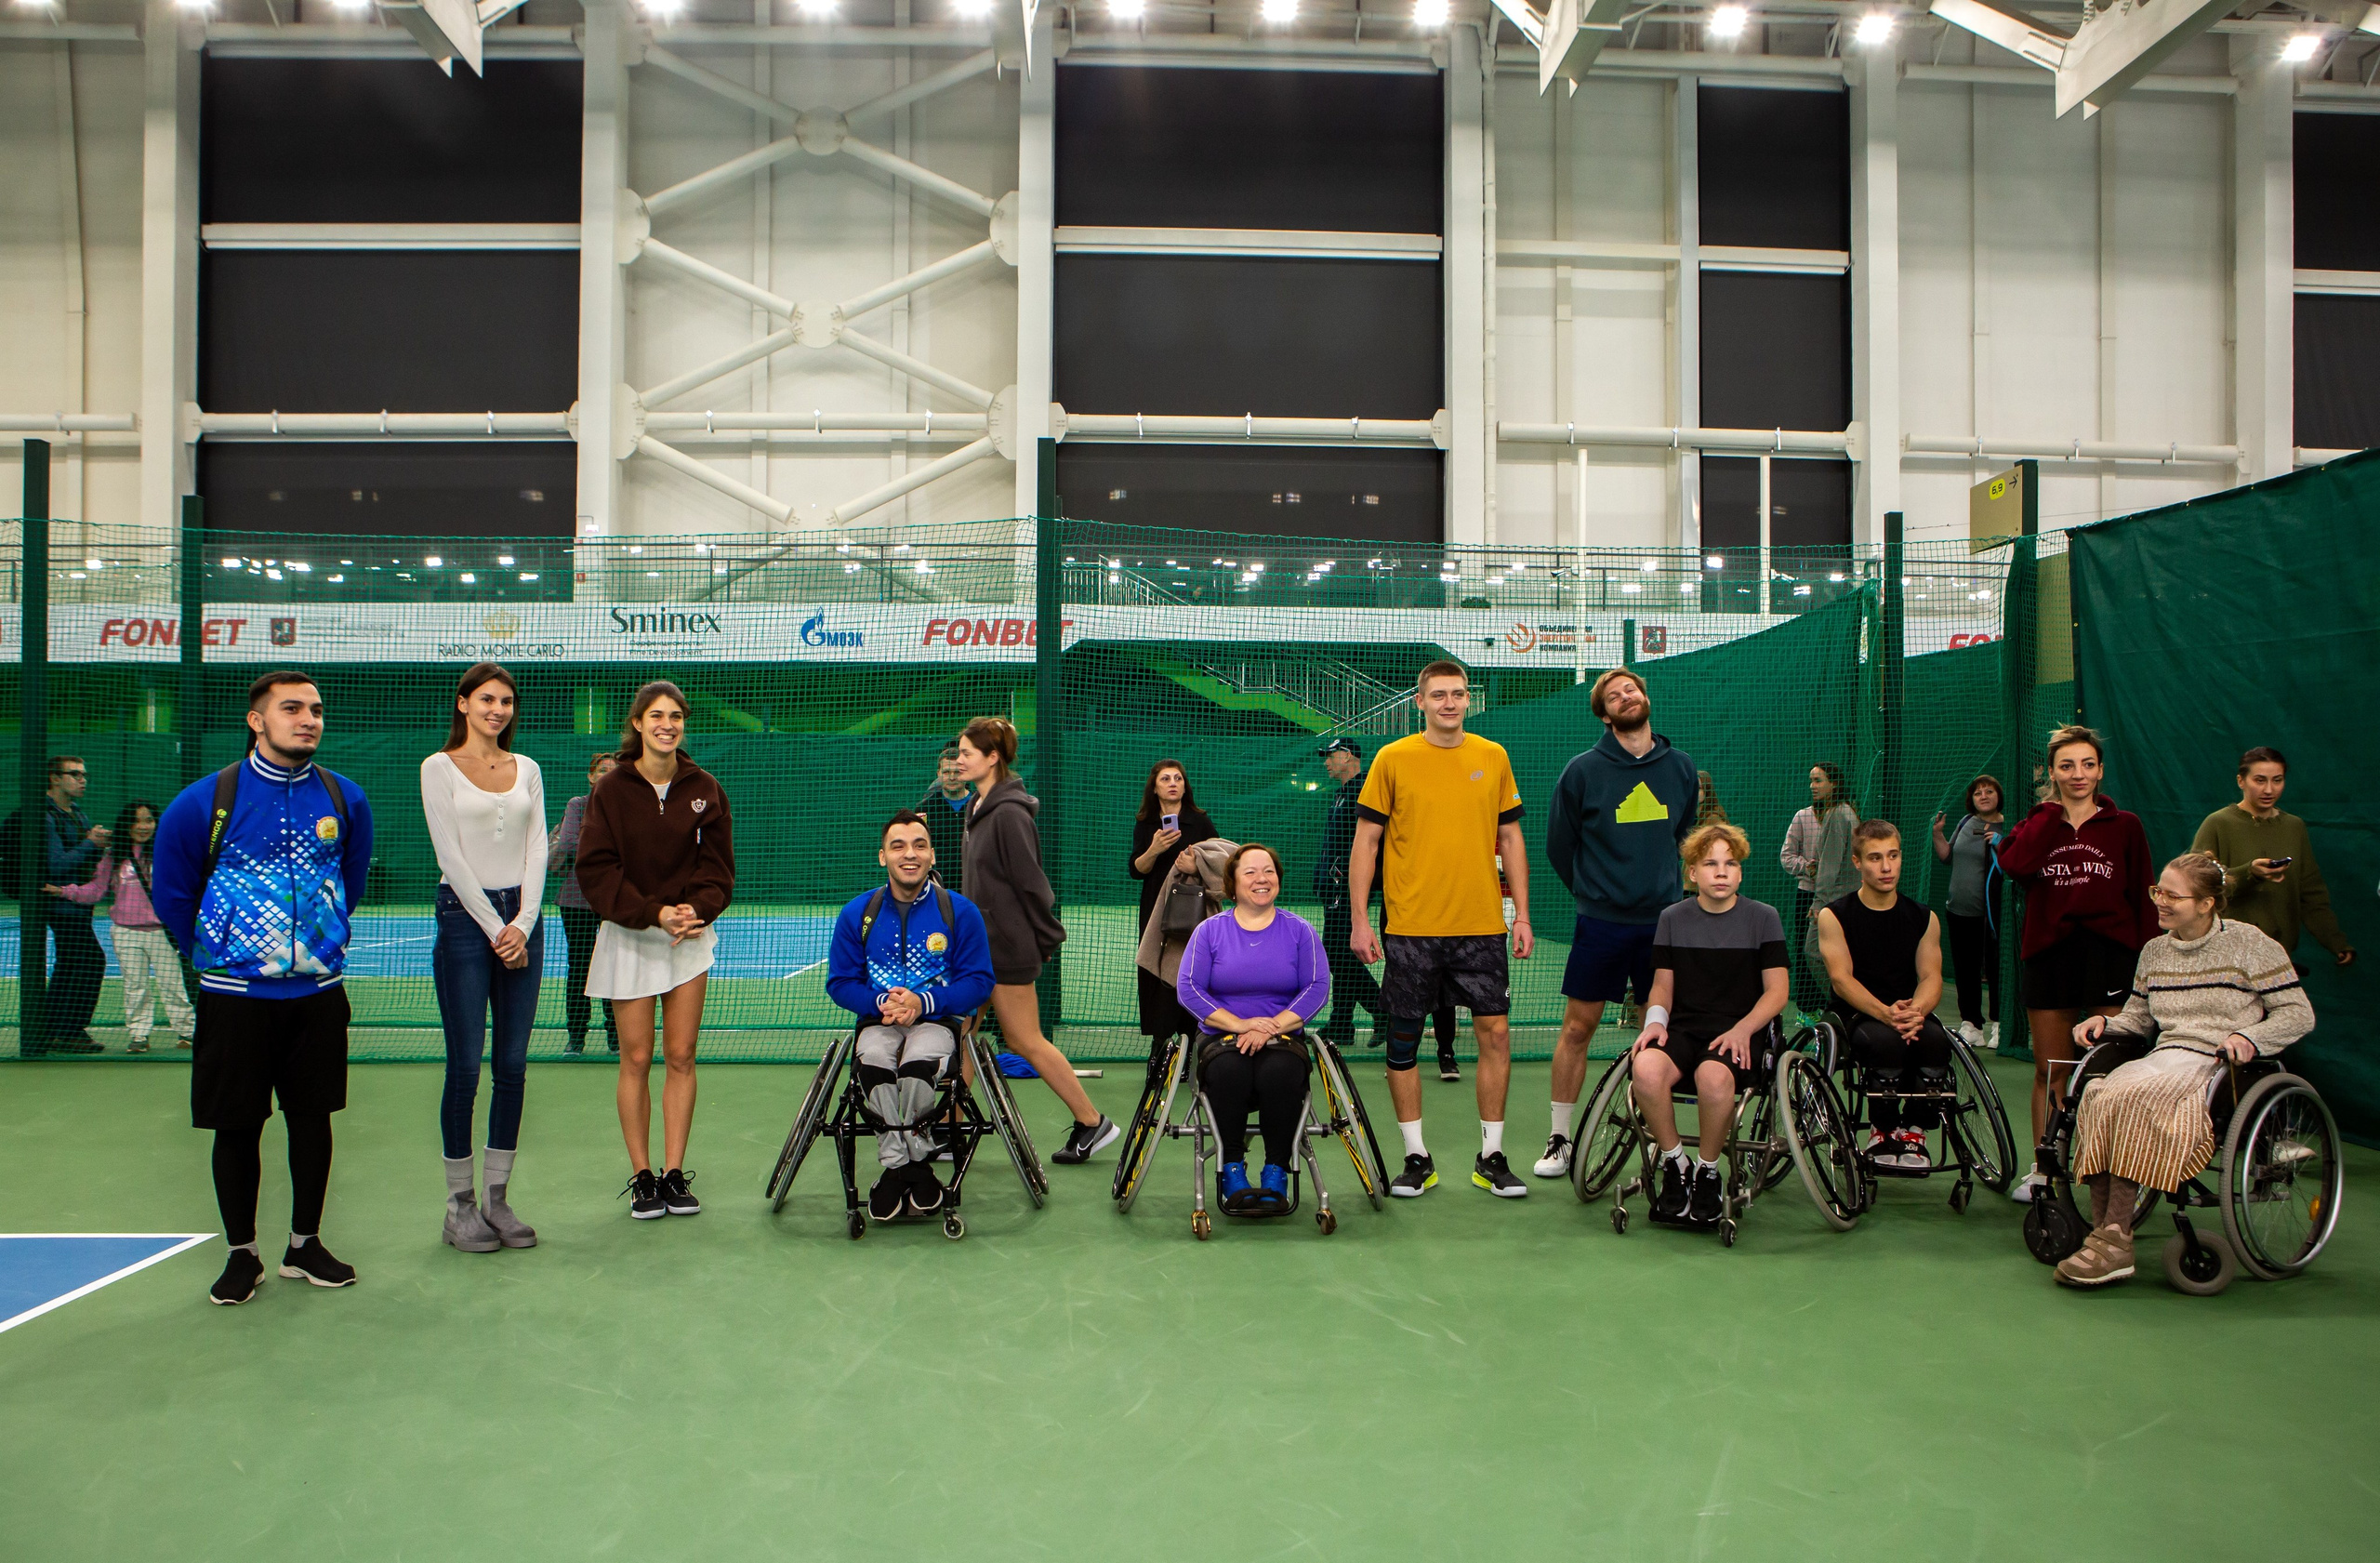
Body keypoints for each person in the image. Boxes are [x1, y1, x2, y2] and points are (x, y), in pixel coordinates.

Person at [152, 671, 375, 1305]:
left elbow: (351, 880)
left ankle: (305, 1245)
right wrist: (226, 954)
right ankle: (241, 1254)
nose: (309, 719)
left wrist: (312, 948)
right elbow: (173, 895)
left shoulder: (345, 797)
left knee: (313, 1120)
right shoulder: (203, 802)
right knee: (236, 1126)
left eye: (316, 709)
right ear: (257, 720)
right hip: (234, 1001)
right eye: (292, 708)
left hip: (318, 997)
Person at [2055, 852, 2313, 1288]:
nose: (2161, 901)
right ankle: (2109, 1236)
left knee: (2134, 1098)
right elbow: (2139, 1018)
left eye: (2173, 896)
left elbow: (2297, 1013)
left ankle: (2113, 1241)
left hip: (2219, 1063)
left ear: (2207, 903)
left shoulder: (2250, 944)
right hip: (2165, 1055)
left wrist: (2250, 1038)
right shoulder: (2155, 951)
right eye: (2158, 891)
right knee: (2098, 1093)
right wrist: (2105, 1022)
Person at [1345, 660, 1535, 1199]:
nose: (1449, 703)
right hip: (1411, 929)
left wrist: (1521, 915)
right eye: (1438, 695)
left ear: (1469, 699)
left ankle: (1492, 1157)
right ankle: (1416, 1158)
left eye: (1458, 694)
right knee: (1404, 1039)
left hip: (1481, 928)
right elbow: (1366, 843)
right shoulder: (1392, 758)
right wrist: (1360, 919)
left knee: (1495, 1035)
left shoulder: (1493, 756)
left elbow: (1510, 839)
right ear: (1420, 702)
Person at [576, 681, 735, 1221]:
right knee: (637, 1057)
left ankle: (673, 1173)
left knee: (682, 1056)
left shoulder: (705, 788)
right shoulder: (611, 790)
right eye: (657, 716)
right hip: (630, 936)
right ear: (638, 724)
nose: (667, 725)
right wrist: (653, 912)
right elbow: (597, 870)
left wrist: (696, 910)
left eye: (676, 716)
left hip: (688, 940)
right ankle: (643, 1177)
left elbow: (718, 869)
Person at [1539, 667, 1698, 1178]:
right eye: (1614, 696)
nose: (1626, 697)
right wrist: (1595, 894)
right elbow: (1559, 846)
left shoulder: (1681, 767)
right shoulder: (1582, 771)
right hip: (1602, 924)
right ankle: (1560, 1139)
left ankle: (1656, 1138)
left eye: (1632, 689)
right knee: (1577, 1027)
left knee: (1659, 1031)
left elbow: (1685, 836)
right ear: (1605, 716)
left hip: (1664, 926)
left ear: (1644, 699)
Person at [1995, 724, 2156, 1202]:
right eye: (2066, 766)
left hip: (2110, 958)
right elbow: (2016, 867)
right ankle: (2045, 1170)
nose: (2078, 774)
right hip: (2050, 958)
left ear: (2100, 770)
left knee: (2113, 1071)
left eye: (2087, 764)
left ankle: (2117, 1173)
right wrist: (2050, 813)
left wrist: (2150, 964)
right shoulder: (2035, 824)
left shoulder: (2126, 825)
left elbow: (2143, 895)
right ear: (2052, 772)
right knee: (2052, 1069)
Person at [419, 662, 548, 1253]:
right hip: (464, 921)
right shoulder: (437, 768)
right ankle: (460, 1207)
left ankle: (497, 1199)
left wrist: (523, 923)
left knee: (512, 1066)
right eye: (487, 699)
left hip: (523, 922)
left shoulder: (529, 769)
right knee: (465, 1068)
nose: (498, 710)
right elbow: (450, 855)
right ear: (464, 703)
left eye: (506, 702)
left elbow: (537, 848)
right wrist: (499, 929)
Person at [954, 715, 1118, 1165]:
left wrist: (1044, 937)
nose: (958, 760)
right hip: (978, 948)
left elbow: (1033, 885)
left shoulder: (1009, 814)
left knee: (1024, 1040)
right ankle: (949, 1128)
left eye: (967, 753)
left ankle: (1091, 1121)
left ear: (992, 758)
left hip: (1007, 949)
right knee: (962, 1035)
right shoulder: (975, 807)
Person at [824, 811, 996, 1223]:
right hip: (879, 1022)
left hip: (937, 1022)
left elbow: (980, 982)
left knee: (918, 1068)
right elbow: (840, 982)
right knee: (874, 1065)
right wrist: (882, 1001)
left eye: (919, 845)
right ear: (882, 856)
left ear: (932, 855)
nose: (910, 854)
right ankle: (910, 1166)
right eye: (898, 846)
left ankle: (898, 1166)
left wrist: (923, 1002)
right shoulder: (857, 913)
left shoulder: (959, 911)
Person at [1631, 823, 1791, 1226]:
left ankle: (1708, 1172)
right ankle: (1675, 1163)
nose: (1721, 872)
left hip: (1741, 1033)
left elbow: (1777, 993)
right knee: (1645, 1068)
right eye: (1710, 864)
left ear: (1740, 872)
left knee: (1713, 1076)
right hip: (1684, 1030)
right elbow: (1662, 986)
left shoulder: (1764, 918)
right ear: (1692, 873)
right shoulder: (1671, 918)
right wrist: (1655, 1022)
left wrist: (1743, 1030)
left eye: (1730, 864)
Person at [1177, 842, 1330, 1214]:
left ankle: (1277, 1170)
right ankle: (1231, 1168)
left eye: (1269, 872)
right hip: (1221, 1039)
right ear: (1232, 883)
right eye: (1251, 873)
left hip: (1283, 1039)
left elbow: (1317, 987)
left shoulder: (1300, 931)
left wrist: (1271, 1027)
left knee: (1281, 1073)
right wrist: (1241, 1025)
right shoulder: (1209, 931)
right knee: (1229, 1072)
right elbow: (1189, 989)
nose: (1262, 879)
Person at [1313, 738, 1461, 1077]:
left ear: (1348, 756)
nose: (1326, 762)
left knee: (1337, 951)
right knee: (1342, 953)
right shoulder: (1342, 793)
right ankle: (1342, 1023)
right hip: (1334, 887)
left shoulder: (1364, 791)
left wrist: (1352, 883)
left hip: (1348, 889)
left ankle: (1380, 1011)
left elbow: (1369, 844)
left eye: (1331, 755)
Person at [1817, 820, 1953, 1170]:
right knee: (1885, 1041)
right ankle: (1882, 1131)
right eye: (1875, 858)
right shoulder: (1834, 915)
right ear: (1857, 862)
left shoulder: (1924, 917)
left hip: (1908, 1012)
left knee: (1936, 1040)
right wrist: (1885, 1013)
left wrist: (1916, 1011)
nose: (1887, 866)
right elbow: (1841, 980)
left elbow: (1931, 976)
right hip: (1857, 1014)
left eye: (1893, 856)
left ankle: (1915, 1131)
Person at [2189, 747, 2354, 972]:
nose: (2269, 789)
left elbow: (2311, 894)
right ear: (2241, 781)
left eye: (2277, 780)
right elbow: (2196, 887)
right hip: (2225, 956)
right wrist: (2249, 873)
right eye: (2260, 780)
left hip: (2279, 955)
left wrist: (2336, 942)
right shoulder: (2218, 823)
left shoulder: (2294, 827)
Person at [47, 800, 192, 1053]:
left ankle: (187, 1032)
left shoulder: (167, 853)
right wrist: (64, 891)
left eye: (149, 820)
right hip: (125, 933)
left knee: (173, 985)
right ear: (126, 825)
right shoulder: (113, 856)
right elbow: (96, 890)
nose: (143, 826)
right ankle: (139, 1035)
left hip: (162, 933)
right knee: (135, 987)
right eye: (137, 821)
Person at [1128, 758, 1218, 1054]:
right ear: (1154, 788)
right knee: (1156, 970)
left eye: (1178, 778)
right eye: (1165, 779)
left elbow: (1221, 862)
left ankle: (1191, 1044)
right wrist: (1155, 849)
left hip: (1194, 910)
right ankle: (1160, 1044)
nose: (1172, 784)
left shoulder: (1200, 821)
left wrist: (1196, 865)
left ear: (1185, 786)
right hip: (1156, 909)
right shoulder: (1146, 823)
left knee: (1191, 969)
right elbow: (1137, 869)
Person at [30, 756, 110, 1053]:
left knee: (69, 964)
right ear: (54, 778)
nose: (82, 780)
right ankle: (70, 1031)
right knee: (90, 960)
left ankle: (52, 1029)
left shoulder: (77, 814)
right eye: (74, 774)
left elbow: (83, 859)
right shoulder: (44, 816)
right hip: (59, 905)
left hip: (78, 903)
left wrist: (99, 845)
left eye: (84, 774)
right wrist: (90, 843)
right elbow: (55, 865)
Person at [549, 752, 622, 1054]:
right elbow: (568, 844)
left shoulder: (627, 807)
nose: (608, 775)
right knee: (580, 966)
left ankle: (616, 1038)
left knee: (614, 967)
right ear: (591, 777)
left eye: (614, 770)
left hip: (615, 900)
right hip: (576, 900)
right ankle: (576, 1037)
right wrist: (611, 849)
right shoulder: (578, 805)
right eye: (602, 770)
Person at [1932, 775, 2006, 1050]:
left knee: (1996, 969)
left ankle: (1999, 1023)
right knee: (1965, 969)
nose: (1983, 796)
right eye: (1978, 793)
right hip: (1959, 911)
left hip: (1992, 916)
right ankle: (1971, 1025)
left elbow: (2014, 863)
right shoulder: (1965, 822)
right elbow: (1947, 856)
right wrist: (1938, 834)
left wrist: (2001, 842)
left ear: (1999, 795)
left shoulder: (2009, 825)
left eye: (1989, 791)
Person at [1780, 762, 1857, 1010]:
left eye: (1819, 780)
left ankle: (1844, 1003)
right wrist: (1808, 867)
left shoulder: (1838, 815)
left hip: (1833, 901)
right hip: (1836, 899)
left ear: (1834, 784)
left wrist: (1819, 903)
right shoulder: (1837, 813)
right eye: (1811, 781)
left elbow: (1830, 867)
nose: (1813, 786)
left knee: (1813, 950)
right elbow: (1789, 857)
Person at [917, 746, 972, 894]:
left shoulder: (979, 804)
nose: (952, 777)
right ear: (938, 774)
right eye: (947, 772)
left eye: (957, 772)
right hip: (938, 889)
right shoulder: (925, 809)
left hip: (974, 885)